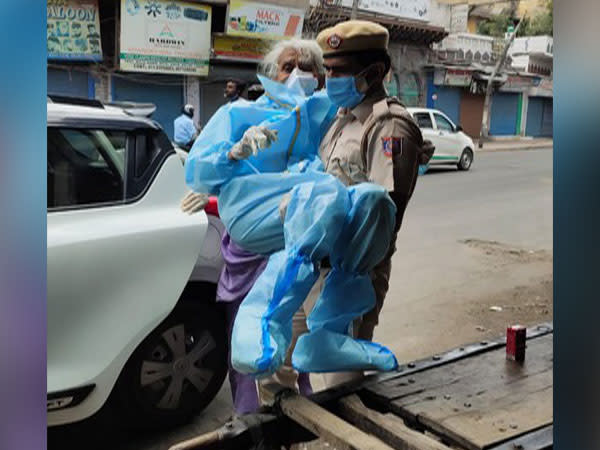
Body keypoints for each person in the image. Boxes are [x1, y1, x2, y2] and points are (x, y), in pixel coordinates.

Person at [181, 38, 326, 414]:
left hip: (294, 249)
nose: (297, 75)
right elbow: (200, 170)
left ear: (321, 78)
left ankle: (296, 423)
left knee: (292, 347)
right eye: (289, 66)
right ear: (272, 72)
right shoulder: (241, 115)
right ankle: (251, 424)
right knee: (246, 348)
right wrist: (233, 152)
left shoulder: (324, 120)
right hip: (247, 250)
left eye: (308, 68)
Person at [304, 20, 434, 387]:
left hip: (352, 275)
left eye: (338, 71)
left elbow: (382, 215)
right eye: (327, 70)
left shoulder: (390, 127)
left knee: (341, 382)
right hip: (320, 266)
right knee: (318, 370)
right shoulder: (342, 120)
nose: (329, 79)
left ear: (374, 72)